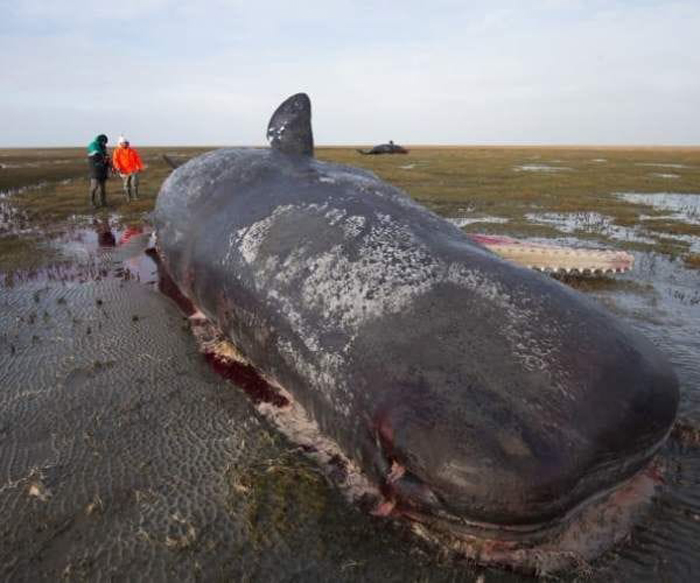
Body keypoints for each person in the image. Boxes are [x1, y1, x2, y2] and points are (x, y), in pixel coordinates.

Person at [112, 136, 144, 202]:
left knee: (135, 183)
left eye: (127, 143)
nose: (126, 144)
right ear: (120, 143)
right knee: (126, 185)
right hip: (124, 171)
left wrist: (140, 167)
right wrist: (118, 168)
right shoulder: (117, 151)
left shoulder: (132, 150)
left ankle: (135, 197)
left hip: (133, 170)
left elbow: (137, 159)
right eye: (124, 143)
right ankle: (128, 198)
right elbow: (115, 160)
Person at [87, 134, 110, 208]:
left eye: (105, 142)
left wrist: (107, 162)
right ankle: (92, 202)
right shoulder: (93, 149)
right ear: (100, 141)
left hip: (103, 171)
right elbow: (95, 158)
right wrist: (103, 159)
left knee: (102, 188)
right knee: (94, 187)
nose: (104, 143)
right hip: (95, 172)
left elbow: (106, 160)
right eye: (103, 141)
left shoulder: (103, 149)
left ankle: (103, 202)